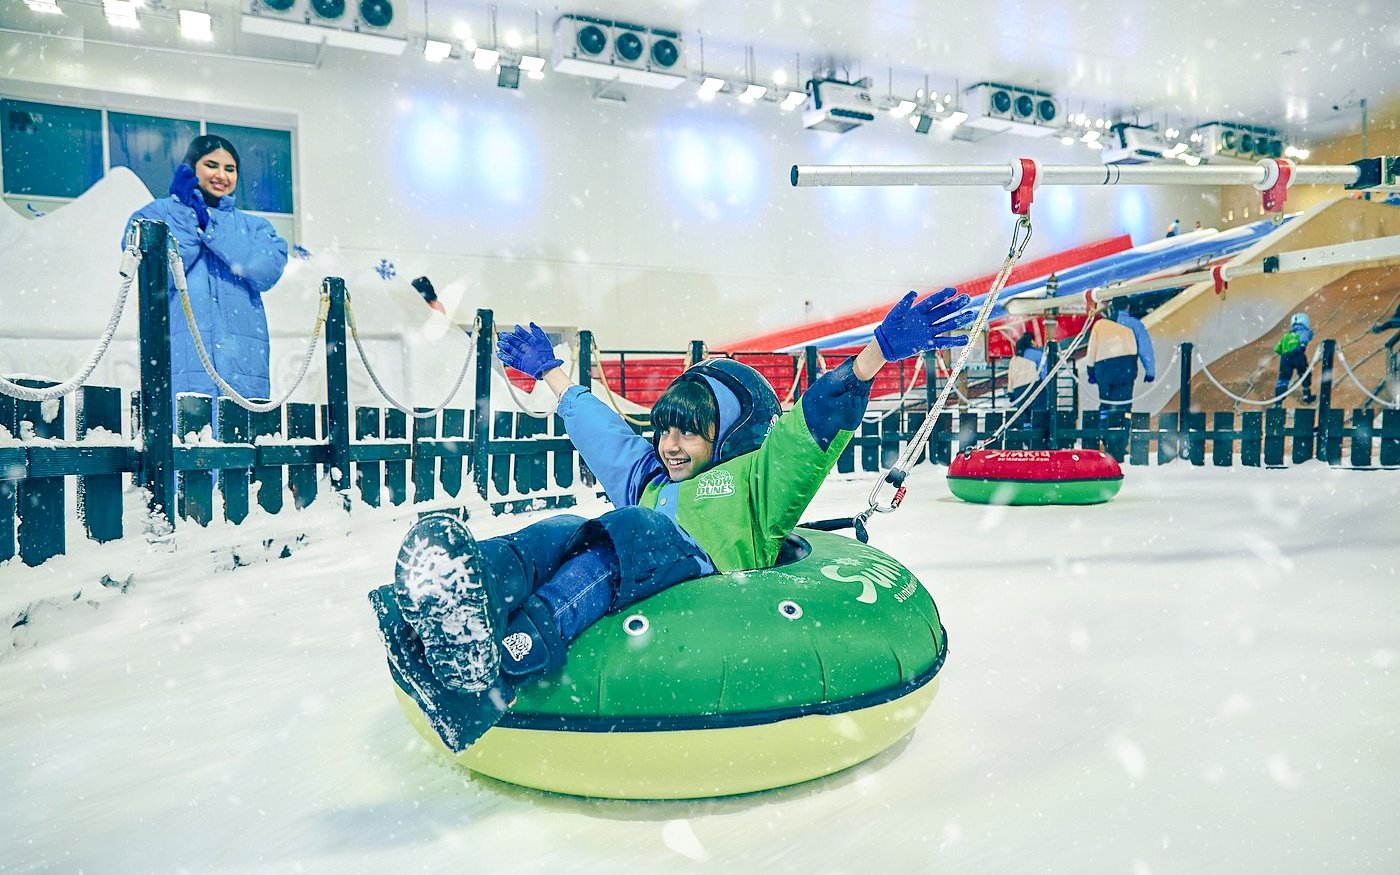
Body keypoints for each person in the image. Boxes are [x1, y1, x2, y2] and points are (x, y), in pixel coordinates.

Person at [367, 288, 977, 751]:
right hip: (630, 553)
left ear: (731, 436)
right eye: (665, 428)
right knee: (559, 533)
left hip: (694, 569)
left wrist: (874, 357)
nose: (671, 443)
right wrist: (551, 372)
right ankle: (452, 600)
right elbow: (602, 432)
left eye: (691, 430)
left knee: (634, 531)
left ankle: (512, 653)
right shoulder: (652, 478)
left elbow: (810, 425)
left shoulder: (756, 484)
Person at [126, 135, 289, 428]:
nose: (221, 175)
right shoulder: (156, 214)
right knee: (184, 448)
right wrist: (184, 214)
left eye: (230, 168)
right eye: (211, 165)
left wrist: (210, 225)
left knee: (240, 450)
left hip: (242, 360)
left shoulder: (255, 226)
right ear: (191, 167)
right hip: (181, 355)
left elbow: (265, 269)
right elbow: (157, 272)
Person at [1084, 300, 1155, 421]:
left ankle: (1103, 430)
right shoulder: (1135, 324)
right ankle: (1122, 429)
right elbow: (1145, 349)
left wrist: (1091, 372)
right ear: (1128, 307)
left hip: (1103, 368)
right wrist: (1150, 372)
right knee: (1124, 405)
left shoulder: (1100, 325)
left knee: (1105, 403)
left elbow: (1092, 350)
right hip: (1126, 367)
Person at [1273, 312, 1316, 405]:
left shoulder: (1286, 336)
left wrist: (1285, 350)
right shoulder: (1304, 331)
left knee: (1283, 379)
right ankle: (1306, 394)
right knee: (1304, 374)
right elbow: (1306, 338)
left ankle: (1278, 402)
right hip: (1298, 355)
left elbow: (1277, 349)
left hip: (1285, 358)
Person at [1005, 331, 1048, 413]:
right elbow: (1044, 373)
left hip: (1018, 391)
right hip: (1034, 388)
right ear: (1031, 341)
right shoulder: (1038, 354)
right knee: (1038, 414)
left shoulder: (1014, 359)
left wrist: (1011, 393)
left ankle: (1025, 424)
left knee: (1023, 415)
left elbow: (1011, 377)